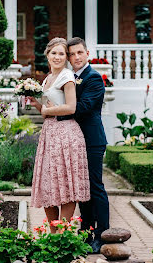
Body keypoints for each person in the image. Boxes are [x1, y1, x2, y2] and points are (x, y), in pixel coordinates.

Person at [29, 37, 90, 233]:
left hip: (66, 135)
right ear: (47, 55)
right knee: (48, 184)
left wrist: (47, 111)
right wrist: (36, 104)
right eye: (53, 53)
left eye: (61, 54)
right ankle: (52, 234)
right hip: (49, 134)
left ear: (66, 58)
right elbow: (47, 109)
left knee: (66, 183)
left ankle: (61, 235)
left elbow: (71, 107)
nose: (57, 57)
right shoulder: (47, 79)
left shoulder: (67, 76)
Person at [58, 37, 109, 253]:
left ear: (87, 53)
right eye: (72, 54)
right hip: (75, 141)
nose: (76, 57)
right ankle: (86, 232)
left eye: (80, 53)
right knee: (82, 190)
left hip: (92, 141)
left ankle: (102, 235)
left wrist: (56, 113)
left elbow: (85, 107)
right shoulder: (70, 77)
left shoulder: (94, 78)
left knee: (95, 187)